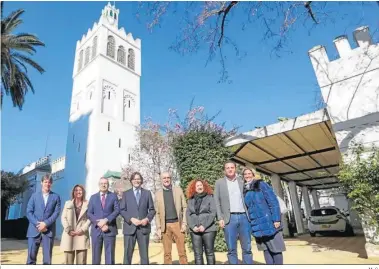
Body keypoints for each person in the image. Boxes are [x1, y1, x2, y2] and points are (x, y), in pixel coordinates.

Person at [243, 168, 286, 265]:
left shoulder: (261, 184)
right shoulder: (245, 189)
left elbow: (273, 201)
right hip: (257, 225)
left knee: (276, 249)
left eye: (249, 173)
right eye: (245, 174)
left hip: (269, 222)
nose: (247, 175)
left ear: (254, 175)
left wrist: (276, 219)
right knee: (266, 250)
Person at [214, 161, 253, 264]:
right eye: (227, 168)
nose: (230, 169)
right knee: (231, 249)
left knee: (247, 247)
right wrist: (220, 218)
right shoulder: (219, 182)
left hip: (244, 217)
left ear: (235, 169)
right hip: (229, 219)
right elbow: (216, 201)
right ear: (224, 170)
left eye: (232, 167)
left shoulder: (242, 181)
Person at [119, 172, 156, 265]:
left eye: (138, 179)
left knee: (144, 256)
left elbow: (152, 210)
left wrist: (147, 219)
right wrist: (131, 219)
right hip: (129, 228)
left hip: (143, 229)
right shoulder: (126, 194)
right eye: (135, 179)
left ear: (141, 181)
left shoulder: (147, 193)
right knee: (127, 255)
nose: (137, 181)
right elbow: (122, 210)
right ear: (131, 181)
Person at [26, 174, 61, 265]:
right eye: (45, 182)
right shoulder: (34, 196)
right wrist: (38, 225)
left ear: (51, 184)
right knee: (31, 259)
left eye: (49, 182)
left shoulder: (56, 197)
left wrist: (45, 224)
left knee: (47, 260)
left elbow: (56, 213)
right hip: (34, 230)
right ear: (41, 183)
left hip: (48, 231)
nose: (47, 184)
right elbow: (29, 212)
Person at [154, 171, 188, 264]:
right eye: (164, 178)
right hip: (165, 226)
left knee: (182, 252)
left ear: (171, 179)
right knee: (167, 253)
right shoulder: (157, 194)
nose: (166, 179)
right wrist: (158, 227)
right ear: (161, 180)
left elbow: (185, 208)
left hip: (178, 224)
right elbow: (156, 213)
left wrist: (184, 223)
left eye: (168, 178)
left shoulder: (178, 190)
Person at [87, 177, 120, 265]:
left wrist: (106, 220)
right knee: (96, 257)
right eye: (101, 183)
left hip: (110, 229)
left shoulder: (113, 196)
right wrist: (99, 223)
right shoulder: (93, 197)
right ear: (99, 185)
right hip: (96, 230)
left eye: (105, 183)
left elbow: (117, 210)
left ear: (108, 185)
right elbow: (89, 213)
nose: (103, 185)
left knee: (110, 257)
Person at [186, 179, 217, 265]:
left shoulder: (210, 197)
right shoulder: (190, 200)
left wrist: (204, 225)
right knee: (197, 254)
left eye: (201, 185)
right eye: (197, 186)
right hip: (194, 230)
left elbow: (213, 213)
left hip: (208, 229)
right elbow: (188, 214)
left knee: (209, 253)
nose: (199, 187)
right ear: (194, 188)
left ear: (204, 187)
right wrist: (193, 226)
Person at [60, 184, 91, 264]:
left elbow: (90, 218)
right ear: (73, 192)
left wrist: (83, 229)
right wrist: (68, 229)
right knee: (68, 262)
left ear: (83, 192)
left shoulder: (88, 204)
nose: (78, 192)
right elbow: (63, 217)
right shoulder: (68, 203)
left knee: (81, 262)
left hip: (82, 234)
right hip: (69, 235)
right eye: (76, 190)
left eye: (80, 190)